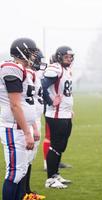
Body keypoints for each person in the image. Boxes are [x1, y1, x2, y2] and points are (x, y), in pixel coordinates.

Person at [0, 38, 39, 200]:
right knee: (14, 173)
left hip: (20, 128)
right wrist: (27, 133)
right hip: (13, 128)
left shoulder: (25, 71)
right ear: (22, 52)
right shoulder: (11, 67)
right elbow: (15, 105)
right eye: (32, 52)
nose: (34, 56)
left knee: (21, 171)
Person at [42, 46, 74, 189]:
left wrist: (69, 109)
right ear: (59, 56)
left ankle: (55, 174)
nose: (69, 59)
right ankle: (50, 179)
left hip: (65, 114)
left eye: (71, 56)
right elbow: (42, 86)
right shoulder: (56, 68)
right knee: (55, 146)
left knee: (61, 146)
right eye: (67, 56)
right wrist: (50, 101)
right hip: (56, 115)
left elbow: (65, 92)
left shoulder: (67, 70)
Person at [22, 49, 46, 200]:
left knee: (30, 158)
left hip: (35, 119)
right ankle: (22, 193)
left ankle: (27, 190)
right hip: (28, 121)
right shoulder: (25, 74)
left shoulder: (35, 75)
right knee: (24, 159)